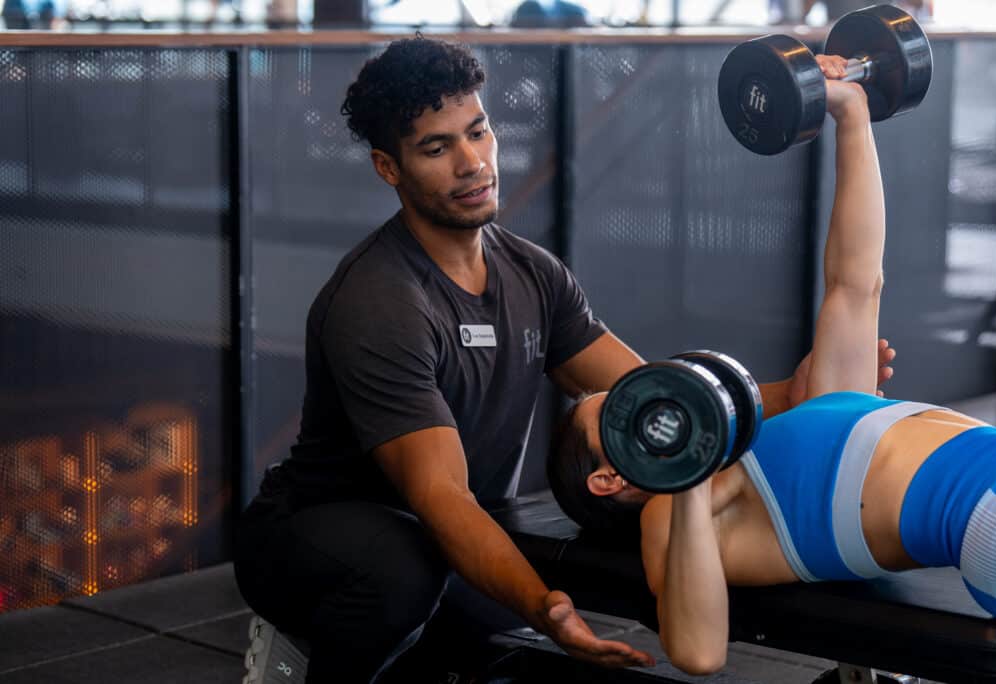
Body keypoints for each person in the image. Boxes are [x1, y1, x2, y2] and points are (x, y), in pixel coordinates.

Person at [232, 38, 893, 683]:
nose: (473, 162)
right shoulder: (380, 305)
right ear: (389, 167)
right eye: (437, 148)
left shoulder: (532, 274)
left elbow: (648, 397)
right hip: (315, 534)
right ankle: (299, 662)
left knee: (501, 640)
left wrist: (786, 392)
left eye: (478, 132)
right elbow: (441, 498)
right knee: (406, 575)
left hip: (443, 530)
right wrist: (547, 608)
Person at [547, 53, 996, 675]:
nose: (646, 397)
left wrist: (852, 114)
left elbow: (856, 282)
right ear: (610, 478)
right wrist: (685, 478)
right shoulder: (681, 508)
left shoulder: (822, 404)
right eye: (618, 414)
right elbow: (697, 651)